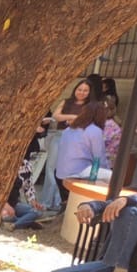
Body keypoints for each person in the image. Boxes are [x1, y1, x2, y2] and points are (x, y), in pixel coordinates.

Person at [42, 77, 94, 212]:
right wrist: (73, 118)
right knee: (51, 168)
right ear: (75, 89)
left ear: (89, 92)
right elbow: (56, 116)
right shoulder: (66, 102)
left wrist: (74, 120)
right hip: (59, 136)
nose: (82, 92)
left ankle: (60, 202)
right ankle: (46, 202)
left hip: (76, 140)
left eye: (85, 90)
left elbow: (87, 122)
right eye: (79, 89)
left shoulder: (90, 106)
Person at [54, 100, 109, 192]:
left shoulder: (68, 129)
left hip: (60, 173)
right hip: (78, 173)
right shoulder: (95, 131)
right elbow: (99, 158)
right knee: (111, 176)